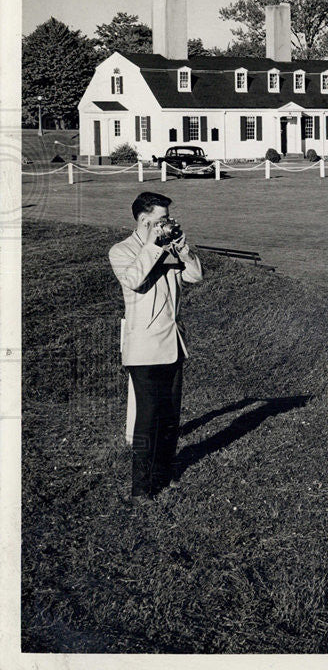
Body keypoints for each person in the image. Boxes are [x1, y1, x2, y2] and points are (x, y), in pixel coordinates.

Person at [109, 192, 202, 500]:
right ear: (144, 220)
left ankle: (164, 474)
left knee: (169, 416)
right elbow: (135, 280)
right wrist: (156, 245)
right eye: (162, 220)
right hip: (144, 347)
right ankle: (140, 487)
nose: (167, 224)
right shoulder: (121, 251)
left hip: (173, 343)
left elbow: (195, 276)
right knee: (147, 418)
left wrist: (184, 249)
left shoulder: (168, 246)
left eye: (169, 219)